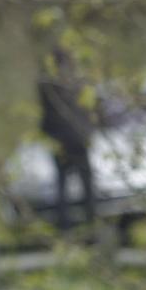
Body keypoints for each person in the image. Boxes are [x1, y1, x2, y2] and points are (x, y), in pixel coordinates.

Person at [38, 48, 96, 231]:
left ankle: (71, 226)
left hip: (65, 140)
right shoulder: (73, 84)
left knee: (66, 185)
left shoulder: (48, 86)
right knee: (79, 184)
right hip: (74, 139)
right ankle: (87, 223)